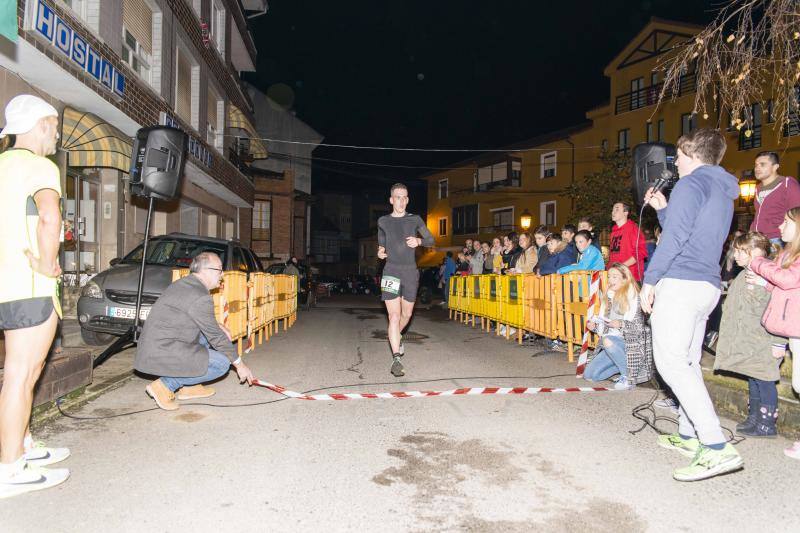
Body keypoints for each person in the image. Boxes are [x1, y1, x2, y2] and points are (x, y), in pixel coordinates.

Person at [642, 128, 743, 482]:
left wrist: (650, 279)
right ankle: (689, 435)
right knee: (688, 361)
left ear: (693, 154)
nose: (676, 163)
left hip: (681, 283)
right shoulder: (721, 189)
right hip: (706, 285)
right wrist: (665, 209)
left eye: (680, 156)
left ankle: (715, 447)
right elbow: (691, 233)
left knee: (670, 362)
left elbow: (673, 242)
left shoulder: (690, 184)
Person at [0, 95, 70, 498]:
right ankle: (9, 468)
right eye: (55, 126)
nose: (57, 134)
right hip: (30, 285)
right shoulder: (39, 166)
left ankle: (23, 445)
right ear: (40, 124)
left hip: (7, 283)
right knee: (21, 374)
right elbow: (49, 216)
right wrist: (47, 263)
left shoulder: (3, 166)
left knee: (23, 372)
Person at [136, 252, 254, 410]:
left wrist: (217, 324)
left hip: (157, 344)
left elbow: (194, 315)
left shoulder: (187, 284)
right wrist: (240, 365)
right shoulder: (199, 295)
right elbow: (216, 338)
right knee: (221, 364)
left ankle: (190, 387)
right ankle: (165, 385)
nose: (222, 274)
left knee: (209, 336)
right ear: (206, 270)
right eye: (219, 270)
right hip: (162, 350)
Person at [714, 232, 784, 438]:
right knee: (753, 377)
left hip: (764, 339)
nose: (734, 255)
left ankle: (767, 423)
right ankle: (754, 417)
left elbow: (779, 306)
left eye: (739, 251)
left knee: (765, 380)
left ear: (754, 252)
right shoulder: (745, 274)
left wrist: (780, 343)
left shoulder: (768, 274)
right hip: (749, 338)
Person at [748, 207, 800, 458]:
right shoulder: (788, 253)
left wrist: (757, 262)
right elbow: (781, 284)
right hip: (788, 328)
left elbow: (789, 280)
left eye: (786, 223)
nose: (780, 227)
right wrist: (765, 282)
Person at [377, 183, 435, 377]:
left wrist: (419, 241)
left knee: (406, 314)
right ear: (391, 200)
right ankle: (396, 359)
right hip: (391, 271)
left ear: (407, 200)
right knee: (394, 316)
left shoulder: (415, 219)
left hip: (410, 272)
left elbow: (431, 240)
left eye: (404, 197)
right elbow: (381, 244)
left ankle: (397, 335)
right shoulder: (383, 221)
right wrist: (380, 251)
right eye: (397, 197)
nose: (401, 201)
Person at [583, 263, 653, 390]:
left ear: (625, 279)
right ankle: (623, 364)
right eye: (609, 277)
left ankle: (628, 377)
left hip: (632, 344)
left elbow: (640, 329)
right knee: (590, 375)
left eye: (615, 277)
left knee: (607, 340)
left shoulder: (635, 297)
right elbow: (605, 328)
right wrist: (594, 326)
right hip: (612, 344)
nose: (610, 280)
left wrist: (621, 324)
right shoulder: (608, 296)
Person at [750, 151, 800, 244]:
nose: (757, 168)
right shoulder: (758, 188)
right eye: (756, 165)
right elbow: (758, 215)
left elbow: (797, 214)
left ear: (775, 167)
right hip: (758, 240)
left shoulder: (787, 183)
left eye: (762, 164)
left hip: (778, 240)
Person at [609, 202, 648, 281]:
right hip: (615, 276)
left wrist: (622, 266)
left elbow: (641, 252)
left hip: (630, 276)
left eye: (617, 209)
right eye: (612, 210)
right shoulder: (613, 231)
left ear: (626, 212)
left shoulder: (633, 229)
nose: (613, 212)